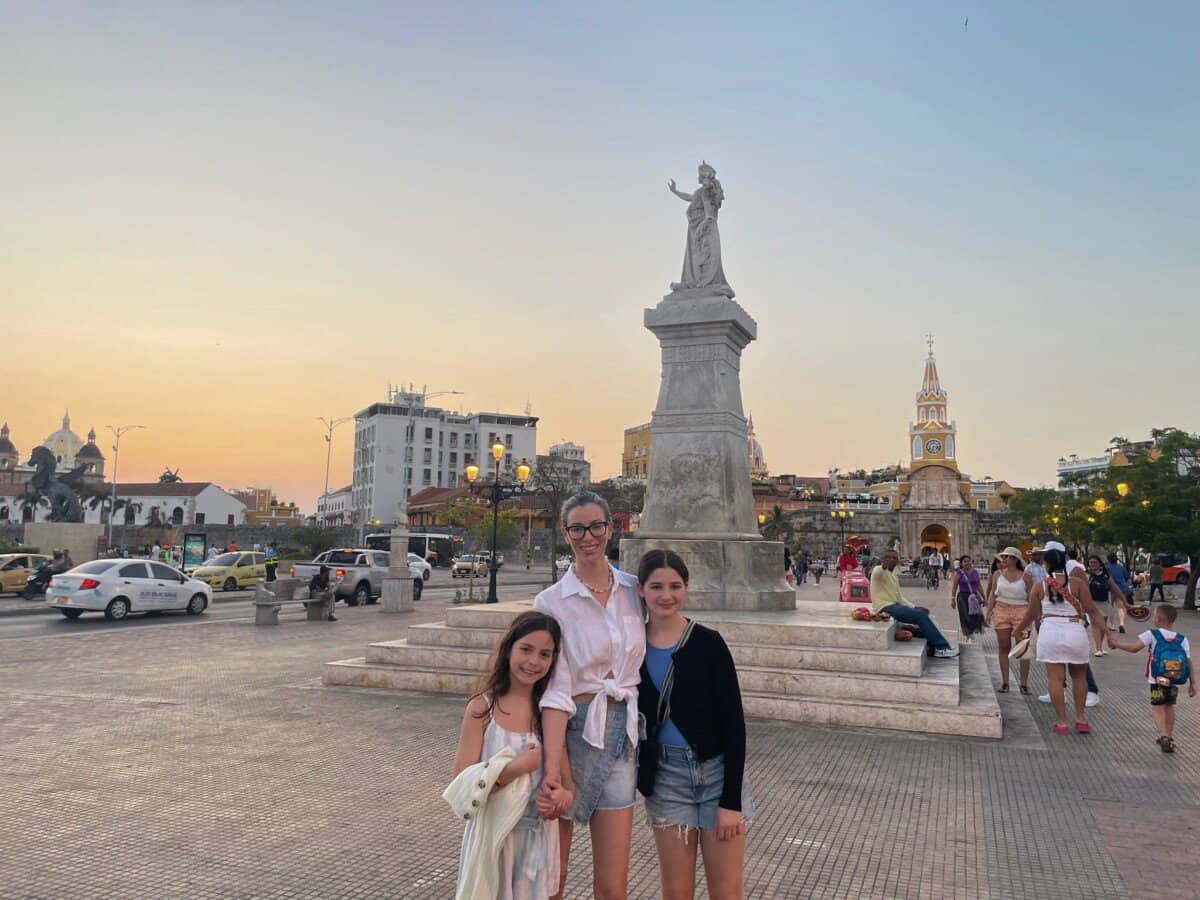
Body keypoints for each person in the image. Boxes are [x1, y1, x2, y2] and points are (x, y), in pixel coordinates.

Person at [534, 491, 645, 900]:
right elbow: (554, 691)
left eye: (596, 526)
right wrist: (552, 768)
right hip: (571, 731)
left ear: (610, 529)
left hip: (621, 733)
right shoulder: (551, 602)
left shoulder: (635, 591)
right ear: (566, 534)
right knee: (551, 876)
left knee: (613, 883)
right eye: (577, 528)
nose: (588, 536)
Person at [636, 550, 750, 900]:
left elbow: (734, 724)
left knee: (726, 891)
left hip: (716, 773)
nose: (665, 595)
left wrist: (732, 802)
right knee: (675, 891)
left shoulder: (708, 643)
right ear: (641, 589)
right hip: (667, 778)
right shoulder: (631, 648)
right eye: (656, 586)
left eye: (674, 586)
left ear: (686, 588)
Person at [453, 611, 570, 899]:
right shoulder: (482, 709)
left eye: (545, 654)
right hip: (492, 839)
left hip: (537, 841)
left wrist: (559, 799)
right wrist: (516, 768)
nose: (533, 661)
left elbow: (569, 788)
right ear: (509, 649)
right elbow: (461, 782)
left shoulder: (550, 713)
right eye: (526, 649)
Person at [1014, 546, 1112, 735]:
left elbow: (1031, 614)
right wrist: (1109, 633)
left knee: (1055, 678)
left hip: (1050, 630)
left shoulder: (1040, 585)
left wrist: (1018, 630)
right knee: (1079, 676)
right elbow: (1091, 610)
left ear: (1046, 563)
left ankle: (1061, 722)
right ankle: (1081, 719)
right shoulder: (1077, 583)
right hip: (1075, 630)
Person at [1107, 604, 1196, 753]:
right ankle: (1170, 735)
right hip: (1174, 679)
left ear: (1159, 618)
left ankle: (1164, 736)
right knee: (1169, 706)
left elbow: (1135, 648)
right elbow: (1188, 662)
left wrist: (1117, 644)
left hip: (1157, 679)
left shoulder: (1152, 634)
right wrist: (1192, 682)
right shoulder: (1182, 639)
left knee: (1157, 707)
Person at [870, 551, 959, 658]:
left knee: (922, 615)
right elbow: (877, 573)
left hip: (894, 606)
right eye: (888, 557)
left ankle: (932, 648)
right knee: (920, 616)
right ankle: (941, 648)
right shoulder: (878, 570)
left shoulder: (893, 576)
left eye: (894, 558)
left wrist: (914, 607)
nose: (891, 559)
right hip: (883, 608)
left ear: (897, 560)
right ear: (883, 559)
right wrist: (883, 566)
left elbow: (899, 597)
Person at [983, 548, 1033, 694]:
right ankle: (1005, 682)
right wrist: (988, 613)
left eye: (1007, 557)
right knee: (1003, 647)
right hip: (1002, 609)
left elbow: (1031, 596)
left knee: (1023, 648)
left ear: (1015, 559)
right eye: (1003, 556)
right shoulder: (997, 574)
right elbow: (993, 594)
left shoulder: (1026, 576)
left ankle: (1024, 683)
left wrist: (1033, 614)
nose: (1004, 559)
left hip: (1021, 610)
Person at [1085, 555, 1125, 656]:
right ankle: (1098, 648)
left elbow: (1114, 587)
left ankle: (1101, 648)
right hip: (1092, 603)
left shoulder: (1106, 574)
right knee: (1095, 624)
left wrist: (1125, 601)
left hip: (1104, 602)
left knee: (1103, 625)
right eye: (1091, 562)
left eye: (1094, 562)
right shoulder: (1087, 575)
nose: (1092, 564)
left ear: (1100, 563)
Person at [949, 555, 985, 645]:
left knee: (975, 616)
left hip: (974, 597)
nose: (967, 563)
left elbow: (979, 585)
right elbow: (955, 586)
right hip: (963, 597)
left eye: (969, 561)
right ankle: (968, 635)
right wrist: (952, 599)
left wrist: (984, 598)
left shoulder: (975, 572)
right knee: (965, 616)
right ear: (961, 563)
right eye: (965, 561)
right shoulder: (959, 573)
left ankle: (971, 632)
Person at [1106, 553, 1133, 633]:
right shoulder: (1121, 568)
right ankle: (1121, 624)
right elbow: (1128, 580)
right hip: (1122, 589)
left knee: (1110, 607)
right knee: (1121, 607)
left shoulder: (1107, 568)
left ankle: (1112, 625)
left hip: (1110, 590)